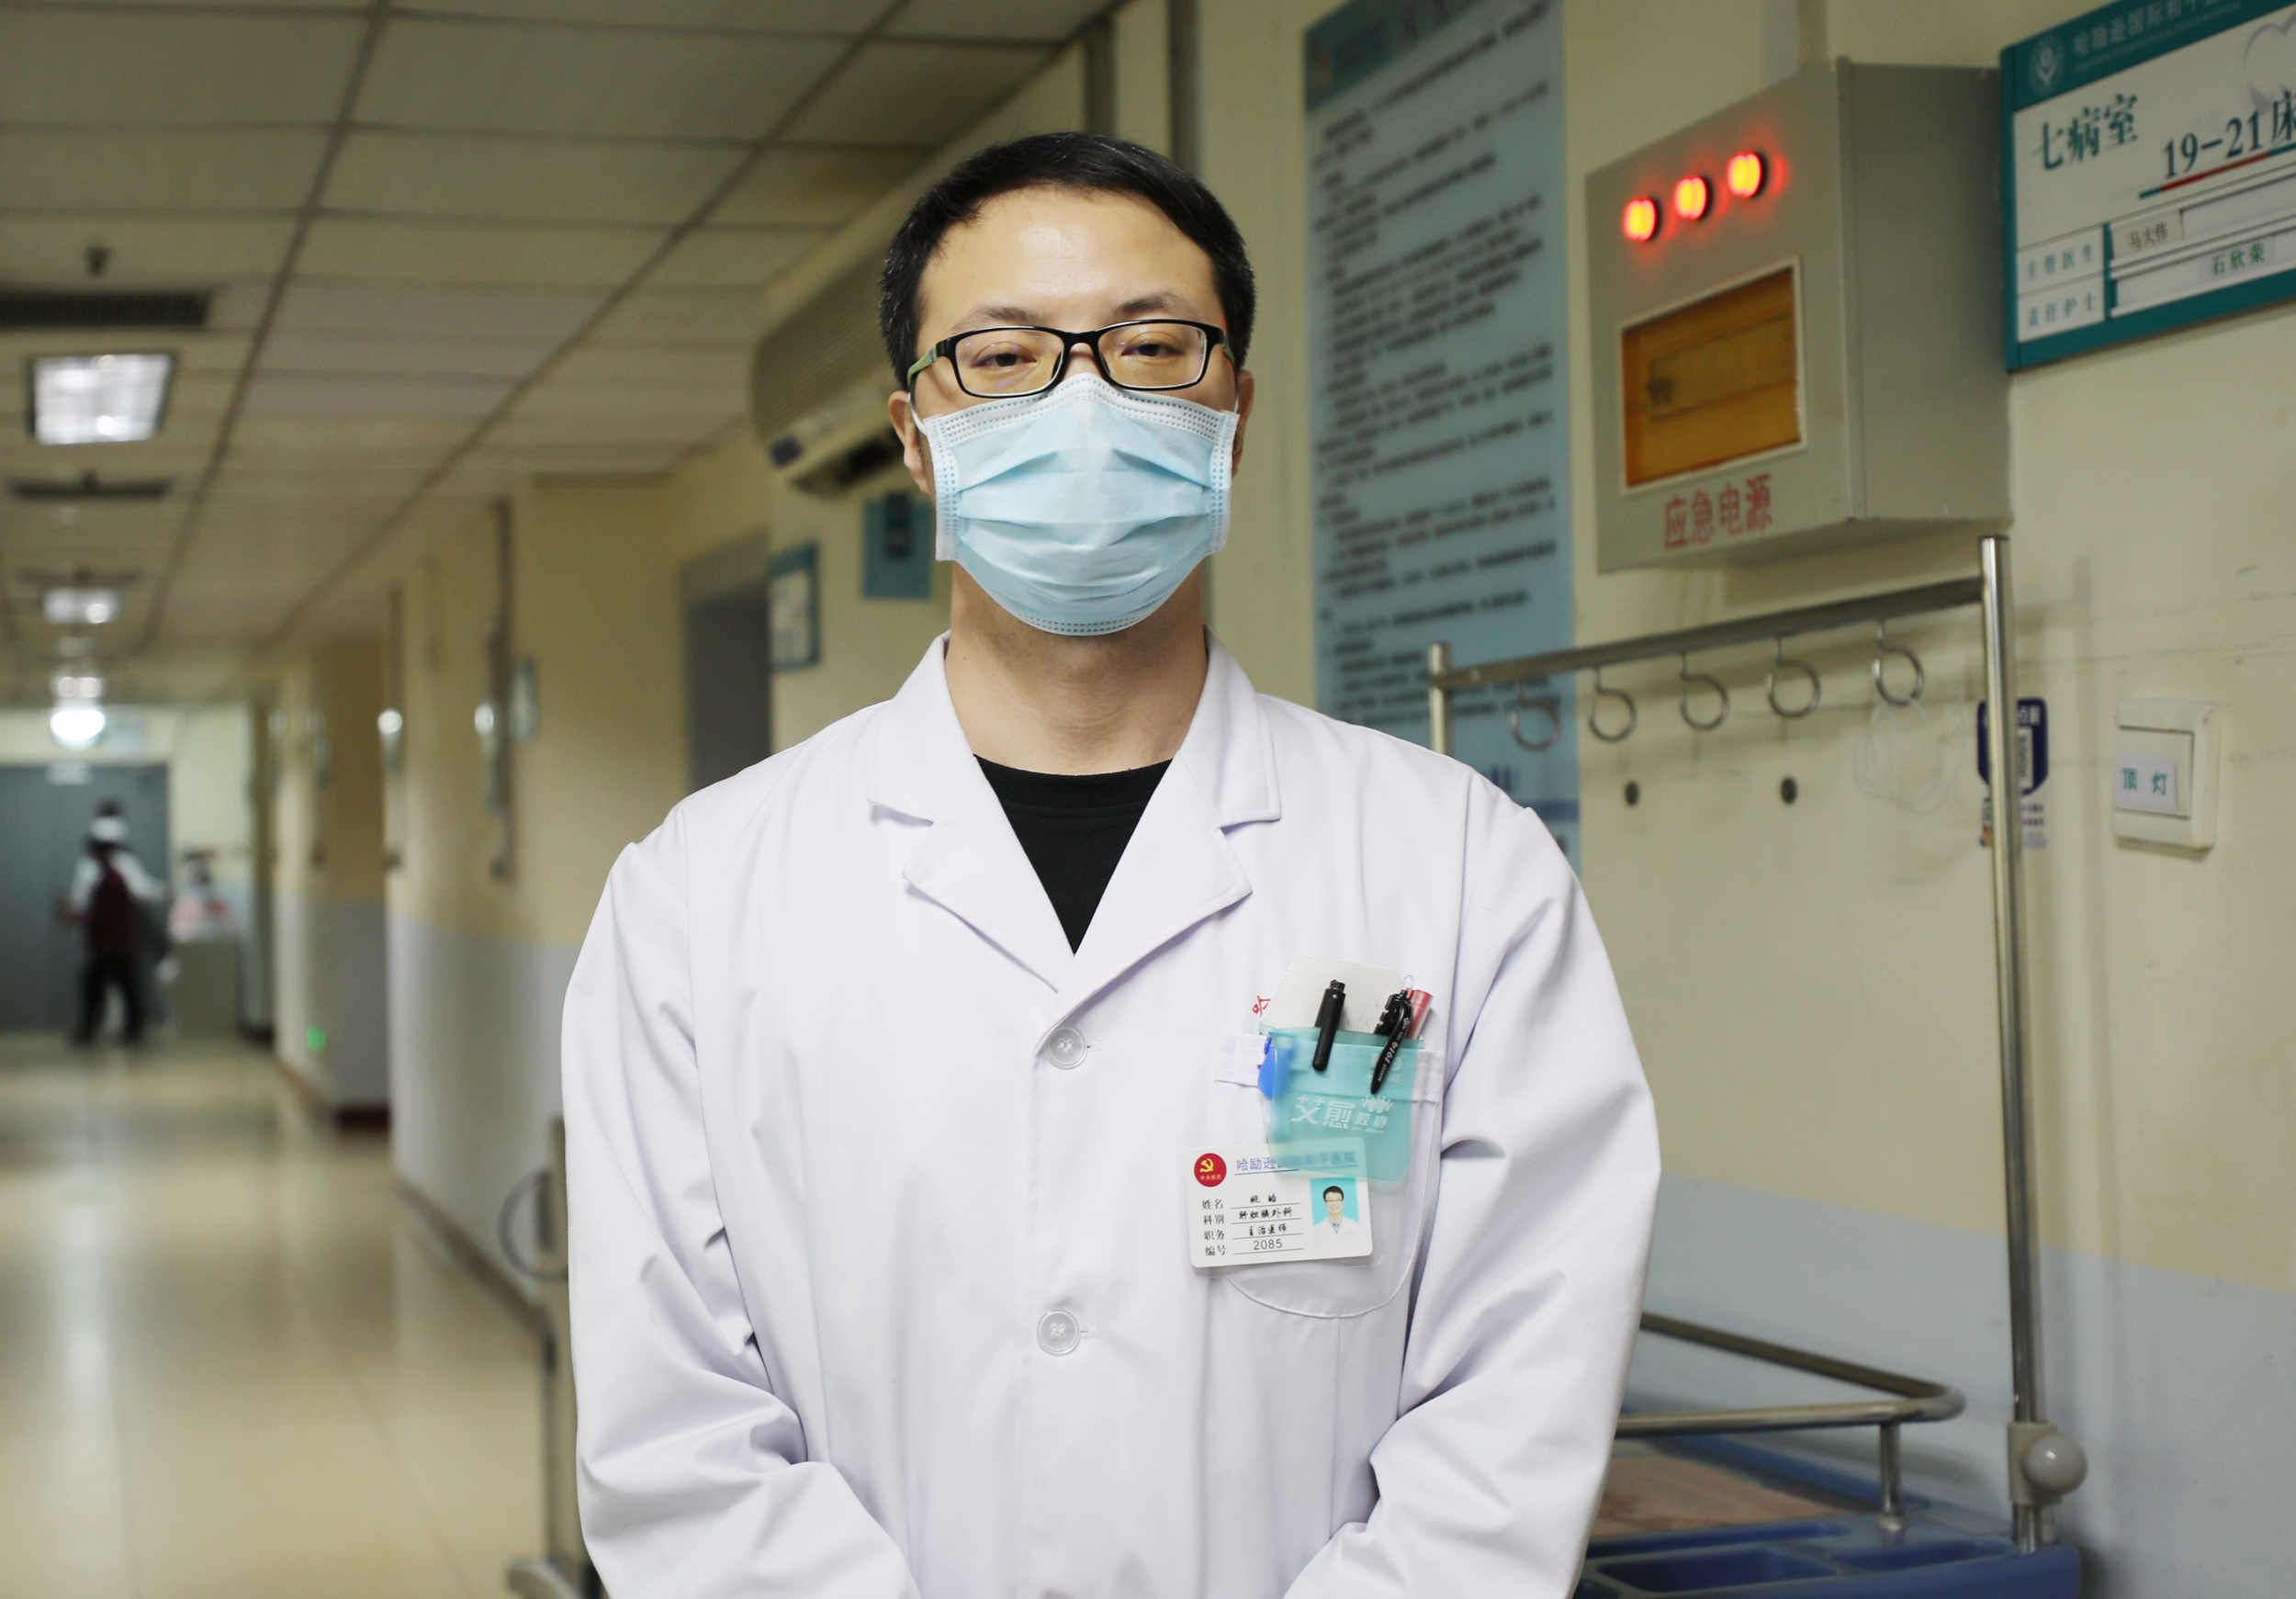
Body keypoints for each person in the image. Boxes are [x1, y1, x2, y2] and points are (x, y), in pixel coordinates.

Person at [563, 132, 1658, 1598]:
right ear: (913, 435)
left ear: (1234, 413)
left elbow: (1518, 1395)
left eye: (1150, 347)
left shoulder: (1458, 869)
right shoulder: (700, 896)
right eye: (1003, 358)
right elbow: (675, 1431)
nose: (1083, 403)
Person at [66, 812, 163, 1044]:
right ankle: (124, 1028)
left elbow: (106, 913)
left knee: (100, 986)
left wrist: (80, 918)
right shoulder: (109, 876)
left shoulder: (112, 879)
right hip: (113, 942)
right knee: (121, 985)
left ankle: (96, 1029)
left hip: (110, 943)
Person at [1312, 1183, 1367, 1255]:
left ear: (1342, 1202)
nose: (1334, 1204)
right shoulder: (1316, 1230)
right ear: (1325, 1203)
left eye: (1337, 1200)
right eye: (1330, 1200)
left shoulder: (1357, 1227)